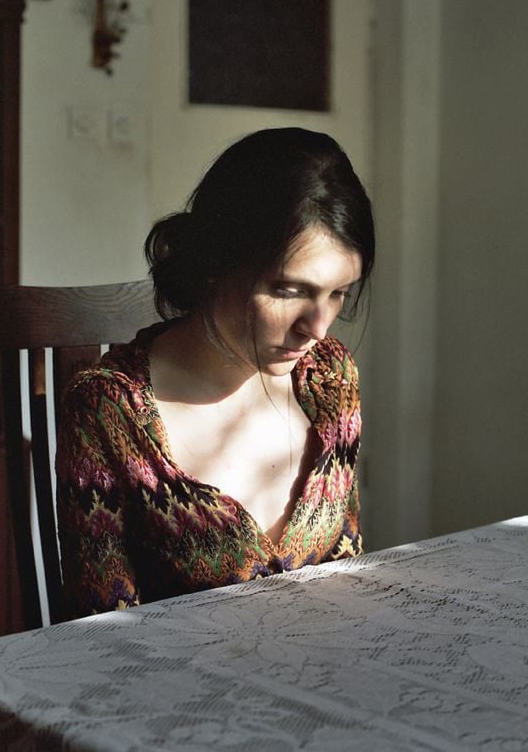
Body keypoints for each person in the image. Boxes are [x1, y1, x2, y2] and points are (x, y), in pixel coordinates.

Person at [55, 127, 375, 617]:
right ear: (214, 263)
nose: (317, 327)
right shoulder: (110, 411)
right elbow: (101, 630)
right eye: (289, 290)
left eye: (338, 294)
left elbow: (346, 574)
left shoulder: (330, 378)